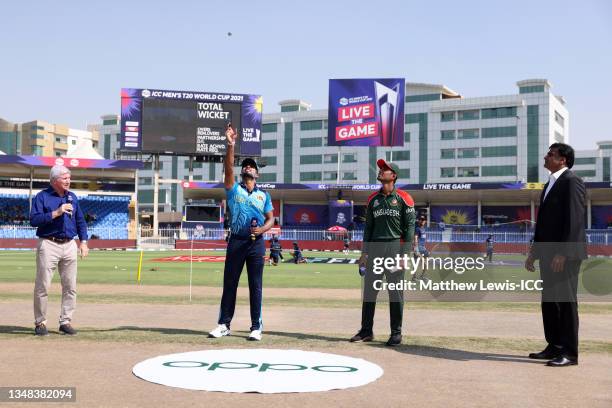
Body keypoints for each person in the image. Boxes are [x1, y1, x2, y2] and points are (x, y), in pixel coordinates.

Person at [209, 123, 274, 341]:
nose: (248, 168)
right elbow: (228, 168)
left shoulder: (264, 196)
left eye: (251, 166)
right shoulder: (233, 189)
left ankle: (256, 327)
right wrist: (230, 144)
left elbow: (271, 219)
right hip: (236, 241)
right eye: (245, 166)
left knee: (256, 286)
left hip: (256, 243)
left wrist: (262, 229)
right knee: (230, 284)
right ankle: (224, 324)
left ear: (257, 174)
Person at [524, 143, 587, 367]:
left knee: (566, 301)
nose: (546, 156)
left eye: (551, 154)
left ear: (563, 160)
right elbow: (544, 223)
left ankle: (569, 353)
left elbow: (575, 219)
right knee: (550, 302)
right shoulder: (550, 184)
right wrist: (534, 252)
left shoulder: (572, 181)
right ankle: (554, 346)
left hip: (564, 254)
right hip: (547, 253)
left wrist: (564, 253)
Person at [350, 159, 415, 346]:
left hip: (395, 248)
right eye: (380, 169)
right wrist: (364, 253)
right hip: (376, 249)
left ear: (393, 175)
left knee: (395, 292)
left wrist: (404, 255)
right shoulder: (372, 199)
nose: (380, 171)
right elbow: (368, 228)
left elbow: (409, 228)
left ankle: (396, 333)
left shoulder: (404, 198)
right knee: (370, 292)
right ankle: (366, 331)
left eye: (384, 169)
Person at [29, 165, 89, 336]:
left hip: (69, 244)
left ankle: (66, 321)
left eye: (69, 178)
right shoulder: (42, 197)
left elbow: (80, 221)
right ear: (55, 180)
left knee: (70, 286)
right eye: (65, 178)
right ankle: (40, 323)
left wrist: (83, 242)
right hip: (49, 244)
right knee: (43, 286)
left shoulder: (72, 197)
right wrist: (56, 212)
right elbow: (34, 220)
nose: (68, 181)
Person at [412, 217, 430, 282]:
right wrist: (416, 248)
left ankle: (422, 276)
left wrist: (425, 248)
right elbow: (415, 238)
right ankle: (414, 277)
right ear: (419, 221)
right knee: (416, 263)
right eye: (421, 220)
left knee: (425, 264)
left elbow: (423, 239)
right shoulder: (417, 229)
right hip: (418, 248)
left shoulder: (424, 229)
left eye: (424, 220)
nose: (422, 221)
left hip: (423, 248)